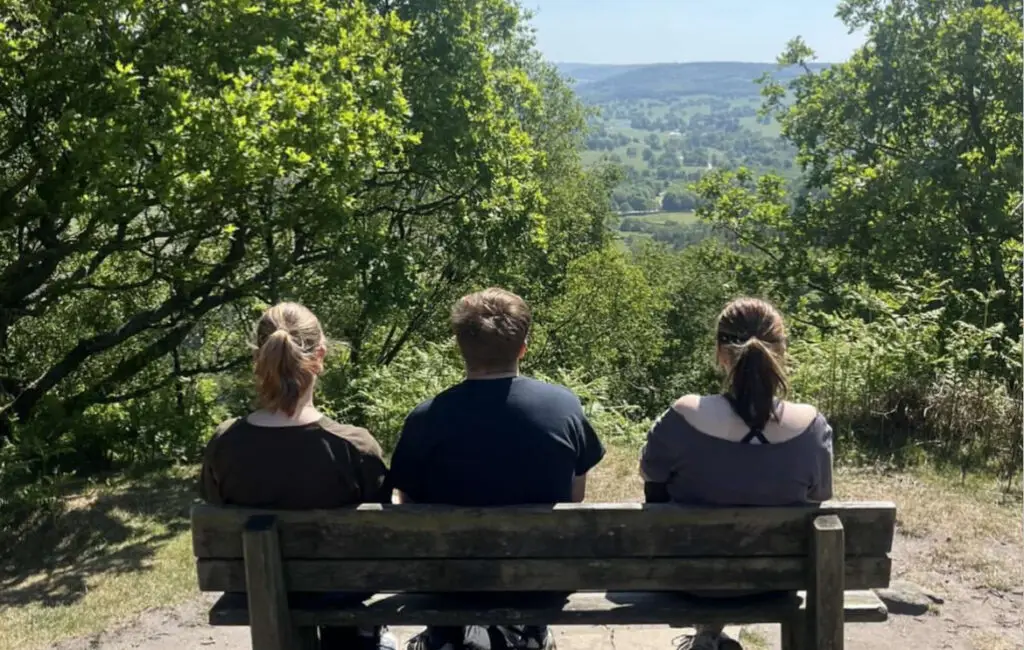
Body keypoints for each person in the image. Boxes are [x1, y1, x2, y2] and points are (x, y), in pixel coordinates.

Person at [389, 288, 606, 650]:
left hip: (449, 583)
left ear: (460, 347)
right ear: (522, 347)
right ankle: (530, 633)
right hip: (540, 583)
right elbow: (575, 496)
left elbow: (408, 504)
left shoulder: (427, 417)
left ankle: (445, 636)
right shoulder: (563, 408)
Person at [639, 298, 834, 650]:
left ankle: (707, 633)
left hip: (687, 578)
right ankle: (711, 635)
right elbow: (818, 496)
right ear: (782, 350)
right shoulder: (812, 425)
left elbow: (654, 485)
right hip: (777, 579)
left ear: (720, 352)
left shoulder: (683, 414)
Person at [199, 302, 396, 650]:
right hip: (341, 588)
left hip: (258, 589)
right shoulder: (354, 446)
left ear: (259, 358)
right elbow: (379, 534)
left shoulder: (225, 443)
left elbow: (216, 504)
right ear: (320, 355)